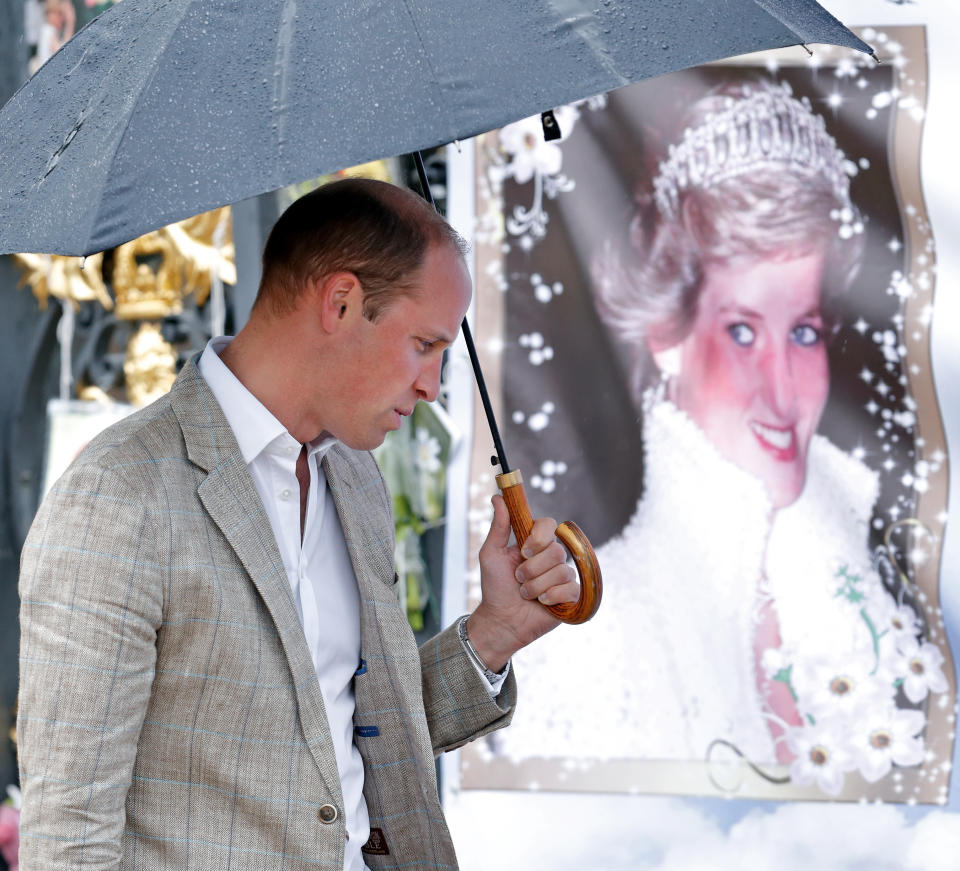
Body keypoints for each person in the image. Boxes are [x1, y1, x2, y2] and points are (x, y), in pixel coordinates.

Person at [17, 178, 579, 869]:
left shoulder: (355, 476)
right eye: (425, 345)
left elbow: (348, 735)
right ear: (341, 302)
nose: (433, 384)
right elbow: (68, 839)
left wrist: (497, 631)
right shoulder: (120, 495)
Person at [499, 80, 940, 792]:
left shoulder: (868, 604)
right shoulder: (587, 650)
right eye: (742, 331)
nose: (781, 387)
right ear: (666, 335)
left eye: (804, 331)